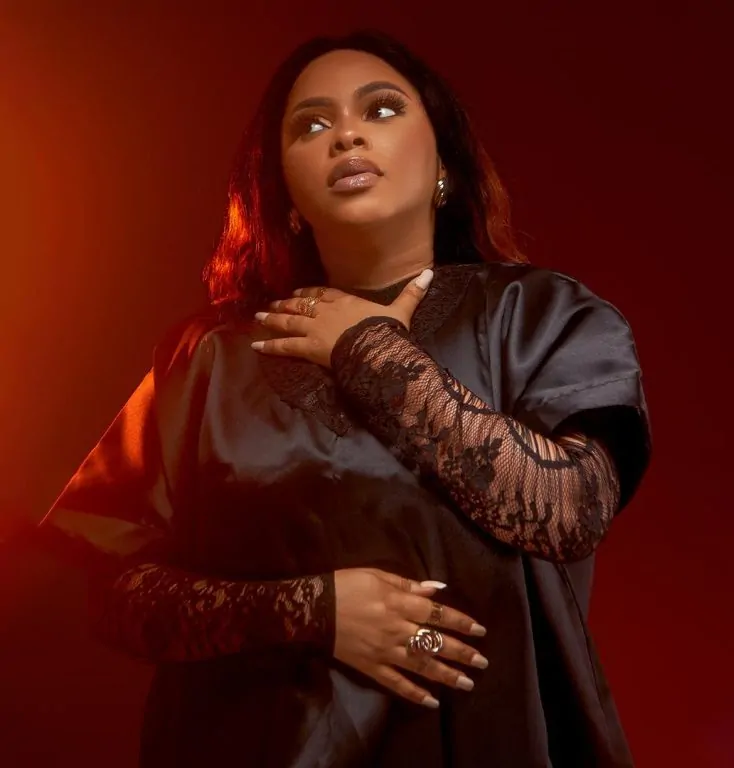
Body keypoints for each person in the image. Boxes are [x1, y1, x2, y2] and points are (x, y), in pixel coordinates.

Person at [39, 29, 651, 767]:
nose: (347, 135)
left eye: (382, 109)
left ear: (444, 165)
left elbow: (569, 511)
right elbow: (108, 593)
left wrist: (369, 350)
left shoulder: (541, 315)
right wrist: (315, 613)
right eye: (311, 124)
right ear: (286, 192)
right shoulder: (210, 357)